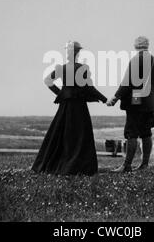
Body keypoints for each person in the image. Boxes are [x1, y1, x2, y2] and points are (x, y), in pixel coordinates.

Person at [32, 41, 107, 175]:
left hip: (65, 106)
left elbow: (47, 81)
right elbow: (89, 88)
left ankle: (55, 165)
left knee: (61, 135)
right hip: (79, 107)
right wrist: (104, 99)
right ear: (78, 53)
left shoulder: (62, 68)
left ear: (68, 53)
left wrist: (61, 93)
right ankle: (79, 167)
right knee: (80, 135)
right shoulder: (82, 68)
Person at [107, 36, 154, 172]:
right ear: (147, 45)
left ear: (136, 46)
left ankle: (126, 165)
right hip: (149, 101)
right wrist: (152, 99)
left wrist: (115, 97)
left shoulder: (136, 60)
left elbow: (127, 83)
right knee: (146, 133)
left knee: (131, 133)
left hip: (135, 102)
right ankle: (144, 164)